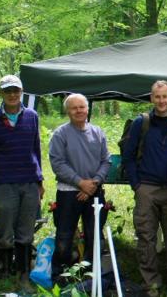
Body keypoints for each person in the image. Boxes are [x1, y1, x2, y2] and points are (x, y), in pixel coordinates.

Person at [122, 80, 167, 297]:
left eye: (165, 96)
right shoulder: (141, 123)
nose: (161, 101)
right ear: (152, 98)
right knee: (146, 239)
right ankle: (151, 284)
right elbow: (128, 156)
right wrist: (137, 185)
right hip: (147, 190)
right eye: (157, 96)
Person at [0, 75, 44, 288]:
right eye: (8, 91)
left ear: (21, 91)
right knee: (5, 231)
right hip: (2, 183)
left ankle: (23, 276)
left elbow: (36, 150)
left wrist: (40, 180)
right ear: (1, 94)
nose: (12, 95)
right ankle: (4, 274)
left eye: (16, 90)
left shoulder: (32, 116)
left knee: (26, 231)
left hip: (30, 182)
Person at [49, 93, 112, 277]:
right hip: (69, 193)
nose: (79, 110)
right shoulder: (60, 134)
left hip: (95, 191)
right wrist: (80, 183)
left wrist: (94, 183)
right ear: (67, 111)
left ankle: (90, 275)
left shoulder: (98, 132)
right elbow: (58, 164)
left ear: (88, 109)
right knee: (64, 236)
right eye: (74, 107)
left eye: (82, 107)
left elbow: (106, 160)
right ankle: (60, 275)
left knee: (94, 236)